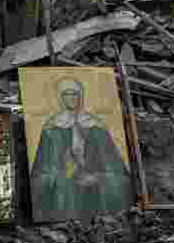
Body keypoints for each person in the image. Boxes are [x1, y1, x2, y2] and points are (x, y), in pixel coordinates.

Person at [30, 77, 134, 222]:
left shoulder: (97, 127)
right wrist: (62, 177)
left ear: (81, 96)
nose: (72, 98)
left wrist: (98, 177)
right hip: (65, 186)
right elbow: (42, 170)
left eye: (75, 93)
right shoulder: (51, 129)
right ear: (60, 97)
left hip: (94, 184)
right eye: (67, 94)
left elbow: (114, 167)